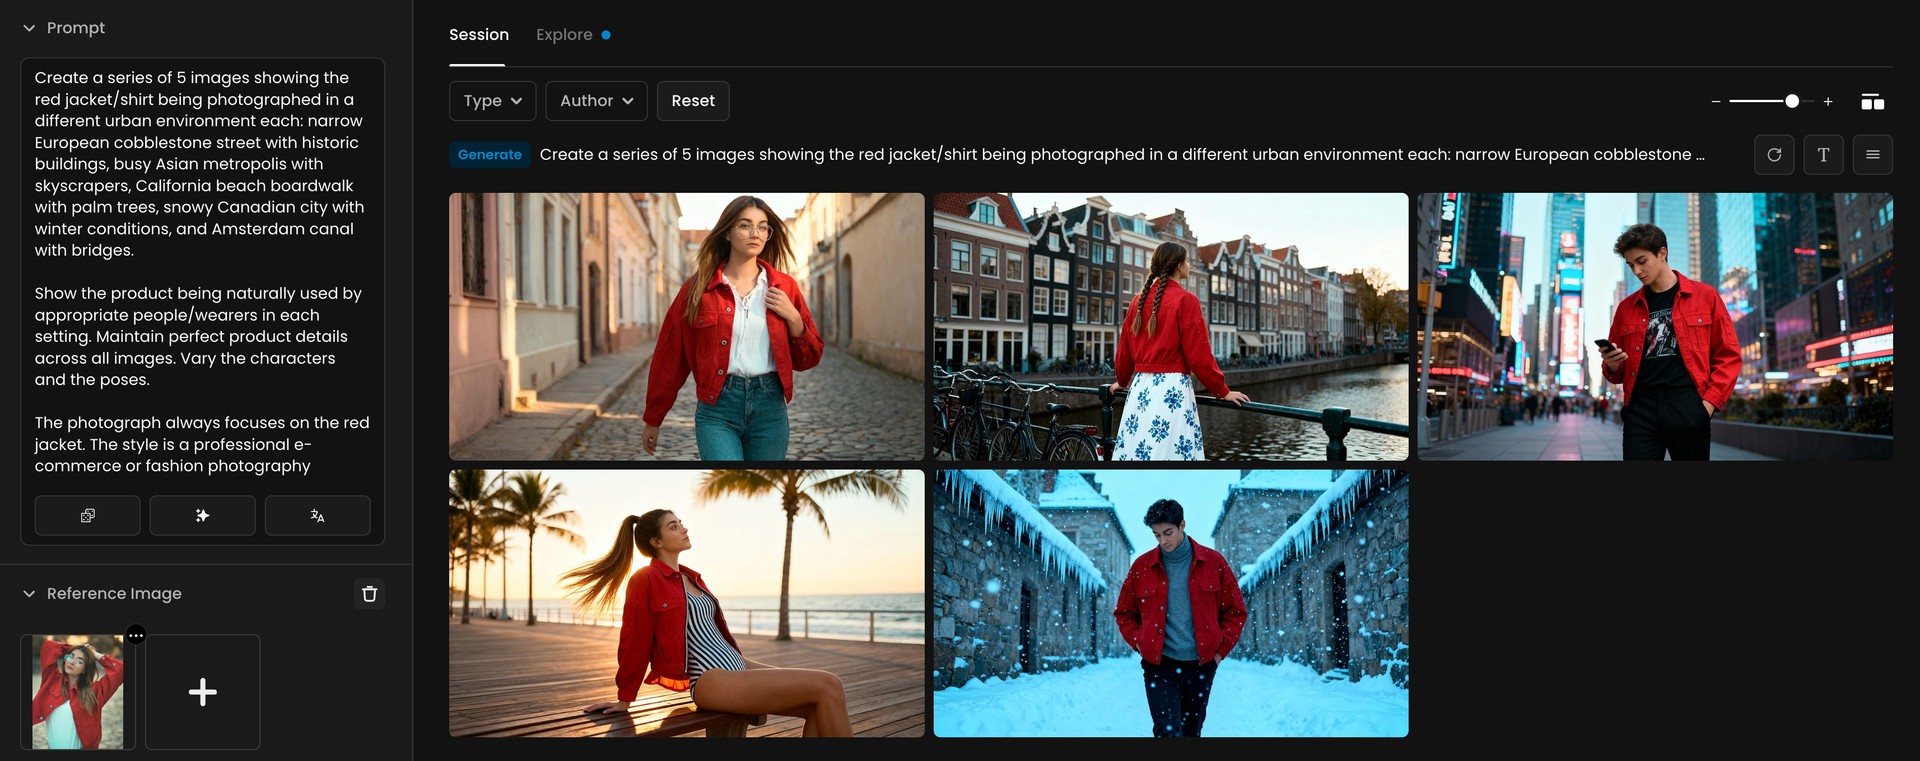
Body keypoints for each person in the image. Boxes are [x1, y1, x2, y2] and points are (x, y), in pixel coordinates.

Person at [566, 510, 850, 736]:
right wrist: (624, 698)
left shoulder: (693, 578)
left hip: (737, 666)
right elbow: (634, 639)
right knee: (829, 682)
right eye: (673, 526)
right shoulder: (645, 579)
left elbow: (713, 635)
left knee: (818, 703)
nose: (684, 529)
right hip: (710, 679)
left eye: (681, 523)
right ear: (656, 542)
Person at [641, 196, 824, 460]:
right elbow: (670, 356)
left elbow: (811, 357)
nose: (755, 234)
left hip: (770, 408)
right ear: (727, 232)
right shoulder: (697, 289)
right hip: (717, 408)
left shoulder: (785, 287)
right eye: (745, 225)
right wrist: (653, 417)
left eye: (763, 227)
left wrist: (794, 319)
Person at [1599, 223, 1740, 460]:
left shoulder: (1705, 296)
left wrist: (1706, 406)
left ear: (1662, 253)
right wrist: (1612, 364)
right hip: (1640, 408)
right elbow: (1617, 373)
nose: (1637, 270)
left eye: (1642, 261)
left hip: (1687, 404)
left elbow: (1728, 356)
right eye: (1631, 264)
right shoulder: (1626, 308)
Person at [1113, 499, 1247, 737]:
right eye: (1156, 535)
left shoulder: (1214, 563)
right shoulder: (1141, 567)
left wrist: (1218, 654)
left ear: (1182, 525)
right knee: (1166, 731)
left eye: (1168, 532)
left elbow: (1235, 612)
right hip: (1159, 666)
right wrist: (1139, 642)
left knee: (1190, 731)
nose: (1163, 541)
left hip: (1201, 665)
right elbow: (1124, 613)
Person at [1106, 242, 1250, 460]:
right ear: (1180, 266)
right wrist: (1222, 390)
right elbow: (1199, 355)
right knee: (1172, 451)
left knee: (1140, 450)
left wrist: (1123, 380)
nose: (1190, 265)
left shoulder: (1137, 301)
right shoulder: (1186, 300)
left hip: (1140, 389)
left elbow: (1124, 350)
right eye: (1188, 261)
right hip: (1171, 390)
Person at [32, 640, 124, 750]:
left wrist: (93, 654)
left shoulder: (94, 692)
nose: (72, 662)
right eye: (70, 657)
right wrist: (81, 649)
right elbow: (49, 646)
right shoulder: (51, 680)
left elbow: (120, 669)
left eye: (80, 661)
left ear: (85, 669)